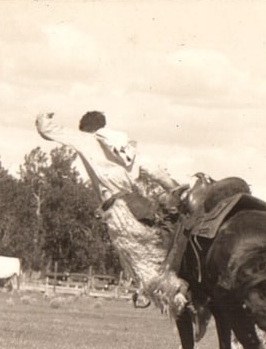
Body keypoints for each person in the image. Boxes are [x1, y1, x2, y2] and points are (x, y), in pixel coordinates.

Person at [35, 111, 189, 314]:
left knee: (138, 261)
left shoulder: (87, 139)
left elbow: (49, 131)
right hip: (139, 202)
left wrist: (42, 118)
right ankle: (180, 278)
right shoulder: (124, 144)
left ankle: (170, 294)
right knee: (161, 243)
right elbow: (153, 170)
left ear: (86, 128)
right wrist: (174, 188)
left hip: (118, 210)